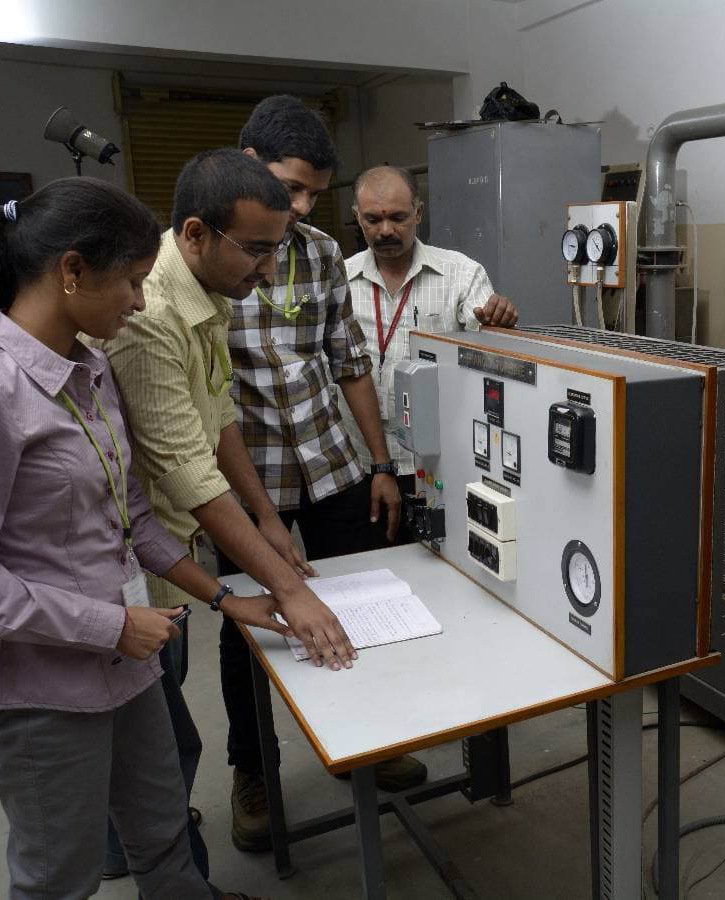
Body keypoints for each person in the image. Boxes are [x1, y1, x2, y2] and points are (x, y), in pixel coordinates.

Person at [0, 177, 283, 900]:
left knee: (162, 828)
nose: (141, 303)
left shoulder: (92, 370)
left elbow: (133, 517)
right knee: (59, 876)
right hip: (44, 688)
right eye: (133, 282)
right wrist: (112, 625)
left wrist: (225, 598)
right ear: (72, 271)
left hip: (129, 662)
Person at [101, 148, 358, 855]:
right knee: (150, 726)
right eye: (256, 251)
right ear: (195, 234)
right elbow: (186, 472)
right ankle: (136, 850)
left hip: (170, 545)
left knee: (163, 714)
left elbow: (217, 418)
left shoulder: (209, 289)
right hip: (138, 556)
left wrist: (267, 517)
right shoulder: (151, 314)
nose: (269, 271)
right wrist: (289, 591)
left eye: (275, 251)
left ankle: (147, 840)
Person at [222, 96, 426, 840]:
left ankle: (369, 744)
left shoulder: (319, 253)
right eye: (292, 187)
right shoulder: (206, 255)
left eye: (314, 193)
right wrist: (258, 514)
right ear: (249, 164)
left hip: (332, 462)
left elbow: (350, 364)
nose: (304, 206)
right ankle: (253, 770)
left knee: (362, 599)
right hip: (249, 481)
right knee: (248, 626)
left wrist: (380, 463)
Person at [343, 164, 519, 482]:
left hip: (438, 461)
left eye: (398, 217)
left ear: (419, 213)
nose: (385, 230)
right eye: (373, 220)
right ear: (358, 217)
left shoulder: (461, 274)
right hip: (360, 462)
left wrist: (498, 323)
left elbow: (490, 345)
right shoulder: (340, 280)